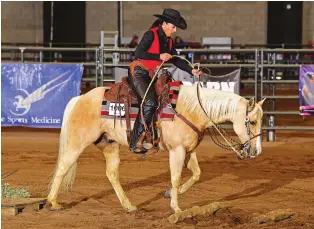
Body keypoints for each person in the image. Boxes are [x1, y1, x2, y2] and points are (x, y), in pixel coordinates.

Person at [127, 8, 203, 154]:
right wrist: (159, 56)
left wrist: (191, 70)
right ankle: (135, 141)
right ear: (165, 24)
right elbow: (138, 53)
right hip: (138, 72)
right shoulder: (151, 34)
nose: (174, 30)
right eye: (173, 27)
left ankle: (153, 137)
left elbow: (175, 59)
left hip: (151, 74)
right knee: (149, 102)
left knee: (163, 98)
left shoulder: (168, 41)